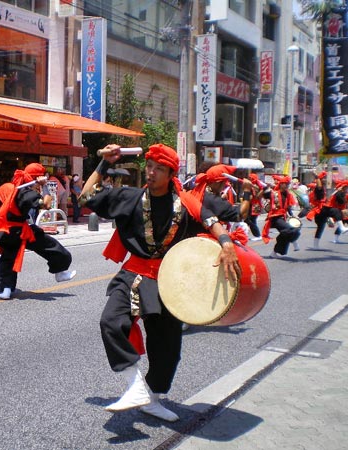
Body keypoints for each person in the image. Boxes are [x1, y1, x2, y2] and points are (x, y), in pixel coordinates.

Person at [78, 144, 248, 421]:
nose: (152, 172)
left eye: (159, 168)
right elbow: (86, 196)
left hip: (170, 280)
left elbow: (212, 222)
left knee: (166, 347)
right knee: (111, 321)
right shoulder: (130, 197)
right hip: (134, 272)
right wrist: (104, 164)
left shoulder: (186, 203)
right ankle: (134, 385)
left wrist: (227, 243)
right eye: (149, 166)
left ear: (171, 173)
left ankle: (152, 398)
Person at [0, 162, 76, 300]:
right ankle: (60, 271)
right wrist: (45, 187)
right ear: (36, 178)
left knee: (8, 259)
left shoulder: (7, 187)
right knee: (50, 246)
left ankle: (6, 289)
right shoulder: (28, 193)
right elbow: (47, 204)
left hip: (7, 231)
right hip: (21, 230)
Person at [261, 174, 301, 257]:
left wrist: (292, 216)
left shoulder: (288, 195)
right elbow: (263, 195)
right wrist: (265, 187)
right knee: (289, 229)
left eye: (288, 184)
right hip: (275, 217)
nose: (287, 186)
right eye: (285, 184)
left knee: (285, 234)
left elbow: (288, 208)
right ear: (281, 184)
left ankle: (274, 253)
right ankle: (294, 242)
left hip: (282, 217)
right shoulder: (273, 193)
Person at [244, 173, 265, 241]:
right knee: (248, 220)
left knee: (251, 220)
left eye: (250, 178)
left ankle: (257, 235)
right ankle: (245, 234)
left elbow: (256, 195)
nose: (249, 179)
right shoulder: (253, 185)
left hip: (255, 205)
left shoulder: (256, 185)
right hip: (251, 205)